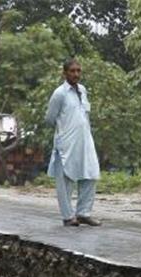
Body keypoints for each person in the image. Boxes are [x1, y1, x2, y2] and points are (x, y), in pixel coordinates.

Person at [45, 58, 101, 227]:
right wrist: (65, 131)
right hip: (66, 143)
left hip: (85, 141)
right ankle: (68, 216)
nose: (76, 74)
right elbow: (49, 118)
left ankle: (83, 213)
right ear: (65, 73)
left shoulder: (83, 90)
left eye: (78, 71)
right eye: (72, 71)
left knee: (90, 174)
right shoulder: (59, 93)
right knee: (66, 180)